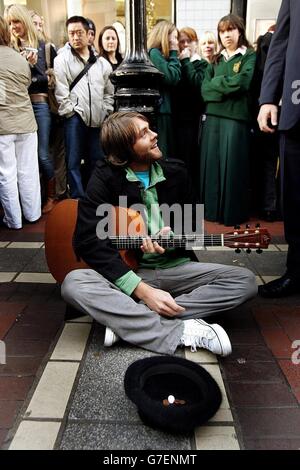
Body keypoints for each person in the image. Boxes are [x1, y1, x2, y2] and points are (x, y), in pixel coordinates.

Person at [61, 111, 257, 356]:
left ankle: (129, 319)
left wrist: (173, 237)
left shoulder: (177, 172)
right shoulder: (104, 177)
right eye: (144, 134)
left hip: (177, 268)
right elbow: (87, 239)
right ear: (125, 149)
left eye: (150, 128)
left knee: (245, 281)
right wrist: (144, 291)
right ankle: (180, 331)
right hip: (129, 273)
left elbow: (192, 229)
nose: (155, 135)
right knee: (74, 284)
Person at [258, 0, 300, 297]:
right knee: (294, 200)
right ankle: (296, 272)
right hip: (296, 110)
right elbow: (281, 42)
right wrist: (268, 98)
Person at [199, 14, 256, 226]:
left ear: (239, 31)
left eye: (230, 30)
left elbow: (243, 82)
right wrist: (224, 86)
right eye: (222, 31)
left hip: (236, 120)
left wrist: (217, 83)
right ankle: (212, 212)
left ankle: (232, 214)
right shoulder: (214, 60)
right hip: (212, 120)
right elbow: (204, 90)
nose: (226, 35)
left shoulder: (249, 56)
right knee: (212, 167)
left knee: (233, 168)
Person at [4, 4, 57, 214]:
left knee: (42, 154)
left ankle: (51, 196)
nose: (13, 26)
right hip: (16, 106)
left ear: (24, 21)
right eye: (9, 23)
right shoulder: (10, 47)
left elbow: (48, 80)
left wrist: (32, 66)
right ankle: (27, 202)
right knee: (22, 161)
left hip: (39, 104)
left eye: (16, 21)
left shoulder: (44, 46)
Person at [54, 16, 114, 199]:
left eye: (79, 33)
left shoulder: (103, 63)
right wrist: (72, 113)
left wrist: (105, 111)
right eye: (71, 33)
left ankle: (94, 196)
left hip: (98, 119)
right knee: (73, 162)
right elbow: (61, 93)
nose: (75, 37)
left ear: (89, 35)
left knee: (96, 160)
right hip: (75, 118)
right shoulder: (61, 60)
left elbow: (109, 92)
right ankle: (79, 200)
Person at [0, 16, 41, 229]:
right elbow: (26, 82)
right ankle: (33, 215)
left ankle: (13, 221)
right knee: (28, 171)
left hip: (2, 126)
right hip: (26, 122)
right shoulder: (19, 58)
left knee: (6, 174)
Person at [252, 25, 280, 222]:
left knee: (268, 161)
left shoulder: (264, 45)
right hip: (278, 109)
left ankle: (269, 206)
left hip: (268, 110)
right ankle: (272, 205)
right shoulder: (270, 42)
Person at [172, 27, 208, 176]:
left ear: (196, 43)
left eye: (190, 41)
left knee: (189, 160)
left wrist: (186, 61)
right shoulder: (175, 63)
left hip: (192, 122)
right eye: (182, 41)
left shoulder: (202, 64)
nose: (186, 44)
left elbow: (197, 84)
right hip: (176, 120)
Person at [147, 20, 181, 159]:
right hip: (161, 112)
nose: (177, 41)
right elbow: (172, 77)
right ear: (165, 36)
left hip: (163, 111)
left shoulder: (158, 55)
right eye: (174, 37)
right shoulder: (154, 53)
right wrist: (173, 52)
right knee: (163, 154)